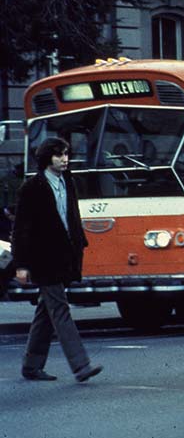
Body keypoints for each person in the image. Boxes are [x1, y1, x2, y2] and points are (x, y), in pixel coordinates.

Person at [12, 137, 103, 382]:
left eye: (66, 154)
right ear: (46, 158)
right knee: (60, 309)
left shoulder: (68, 181)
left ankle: (31, 366)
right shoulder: (32, 187)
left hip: (65, 256)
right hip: (44, 259)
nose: (65, 159)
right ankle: (80, 365)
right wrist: (21, 264)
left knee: (46, 311)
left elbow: (71, 216)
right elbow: (21, 229)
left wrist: (80, 243)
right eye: (59, 155)